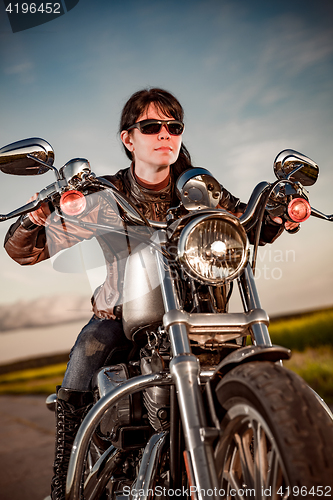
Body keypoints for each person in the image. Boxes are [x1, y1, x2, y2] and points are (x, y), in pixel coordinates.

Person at [3, 88, 297, 500]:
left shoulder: (200, 188)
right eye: (151, 126)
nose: (165, 135)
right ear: (129, 138)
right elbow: (26, 251)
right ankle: (64, 483)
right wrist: (36, 218)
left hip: (201, 313)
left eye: (173, 127)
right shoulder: (104, 194)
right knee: (81, 368)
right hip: (122, 318)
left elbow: (247, 229)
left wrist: (277, 210)